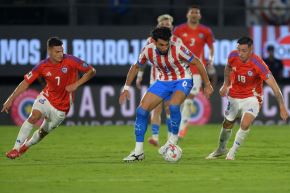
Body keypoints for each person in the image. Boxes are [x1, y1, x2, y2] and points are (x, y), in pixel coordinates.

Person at [119, 27, 213, 162]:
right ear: (154, 42)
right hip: (163, 81)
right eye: (161, 45)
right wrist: (126, 87)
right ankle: (138, 152)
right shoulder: (148, 49)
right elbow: (135, 66)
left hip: (183, 79)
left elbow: (197, 62)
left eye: (166, 44)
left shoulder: (178, 48)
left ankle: (172, 141)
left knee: (174, 107)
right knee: (141, 111)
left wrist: (207, 84)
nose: (164, 47)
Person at [2, 37, 96, 159]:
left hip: (62, 107)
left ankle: (26, 146)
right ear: (50, 51)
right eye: (57, 51)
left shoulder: (71, 60)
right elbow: (25, 82)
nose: (61, 54)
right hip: (46, 98)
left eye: (62, 50)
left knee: (43, 132)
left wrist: (76, 84)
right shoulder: (42, 66)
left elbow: (91, 71)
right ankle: (15, 149)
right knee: (34, 116)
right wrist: (10, 99)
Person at [206, 37, 288, 160]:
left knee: (245, 123)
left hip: (252, 97)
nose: (240, 54)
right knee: (227, 123)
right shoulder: (233, 56)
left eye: (244, 51)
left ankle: (232, 153)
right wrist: (225, 84)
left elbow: (275, 87)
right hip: (234, 95)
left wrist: (282, 107)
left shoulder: (259, 64)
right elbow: (227, 68)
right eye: (238, 50)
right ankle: (221, 149)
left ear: (251, 49)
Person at [136, 14, 183, 147]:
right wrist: (139, 75)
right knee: (156, 108)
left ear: (172, 26)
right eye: (163, 25)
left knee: (169, 108)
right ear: (158, 26)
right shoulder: (150, 40)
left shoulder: (177, 41)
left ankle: (170, 140)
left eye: (168, 25)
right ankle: (155, 137)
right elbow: (142, 60)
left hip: (173, 79)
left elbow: (184, 60)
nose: (166, 26)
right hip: (156, 78)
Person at [174, 5, 215, 138]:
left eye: (196, 12)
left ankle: (182, 128)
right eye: (192, 12)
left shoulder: (205, 31)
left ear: (200, 15)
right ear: (187, 14)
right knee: (180, 99)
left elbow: (211, 47)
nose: (194, 14)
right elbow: (173, 46)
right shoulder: (179, 30)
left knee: (189, 98)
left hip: (197, 69)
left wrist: (211, 59)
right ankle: (179, 124)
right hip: (180, 69)